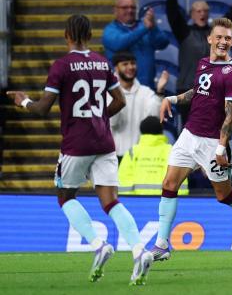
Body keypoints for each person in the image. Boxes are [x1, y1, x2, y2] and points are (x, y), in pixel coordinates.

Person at [7, 15, 153, 285]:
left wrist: (22, 100)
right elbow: (119, 101)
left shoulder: (61, 66)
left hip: (76, 143)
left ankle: (99, 245)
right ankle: (139, 250)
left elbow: (41, 109)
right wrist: (97, 117)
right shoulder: (102, 62)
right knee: (111, 201)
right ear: (90, 34)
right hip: (104, 142)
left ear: (66, 35)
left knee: (65, 196)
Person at [150, 18, 232, 261]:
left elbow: (231, 113)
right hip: (189, 134)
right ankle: (162, 244)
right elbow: (199, 92)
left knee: (224, 196)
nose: (222, 41)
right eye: (218, 37)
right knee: (169, 184)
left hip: (212, 142)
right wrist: (172, 99)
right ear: (209, 39)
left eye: (227, 38)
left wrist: (220, 148)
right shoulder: (203, 63)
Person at [167, 0, 232, 124]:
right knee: (190, 131)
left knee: (214, 130)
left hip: (216, 89)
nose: (202, 13)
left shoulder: (216, 32)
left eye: (205, 10)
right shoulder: (184, 32)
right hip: (188, 89)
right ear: (192, 14)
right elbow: (172, 13)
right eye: (198, 11)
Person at [108, 51, 168, 163]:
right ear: (116, 68)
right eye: (125, 64)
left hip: (141, 156)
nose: (130, 67)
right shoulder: (107, 94)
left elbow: (154, 117)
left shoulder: (146, 92)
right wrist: (117, 100)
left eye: (132, 63)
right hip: (115, 156)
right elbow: (113, 123)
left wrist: (159, 92)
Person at [103, 0, 170, 89]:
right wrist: (144, 28)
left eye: (133, 7)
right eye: (125, 7)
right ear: (115, 10)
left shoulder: (146, 25)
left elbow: (163, 43)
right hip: (121, 89)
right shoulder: (110, 30)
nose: (130, 11)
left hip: (147, 87)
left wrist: (154, 27)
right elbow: (118, 44)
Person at [118, 116, 187, 194]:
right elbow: (179, 183)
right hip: (165, 202)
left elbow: (124, 181)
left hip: (138, 203)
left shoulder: (132, 152)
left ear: (142, 131)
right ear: (162, 131)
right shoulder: (172, 151)